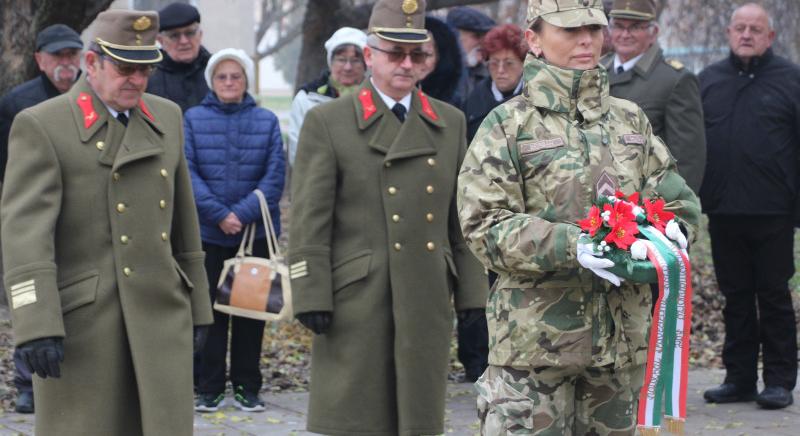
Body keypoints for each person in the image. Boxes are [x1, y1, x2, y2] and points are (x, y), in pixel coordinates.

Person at [457, 0, 700, 434]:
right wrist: (576, 245)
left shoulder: (631, 120)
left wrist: (673, 232)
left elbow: (674, 198)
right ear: (533, 39)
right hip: (535, 351)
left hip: (623, 349)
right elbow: (484, 224)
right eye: (568, 30)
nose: (585, 39)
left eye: (593, 27)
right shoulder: (508, 125)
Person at [1, 10, 213, 435]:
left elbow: (182, 216)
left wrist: (198, 305)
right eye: (125, 67)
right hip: (85, 322)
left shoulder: (166, 116)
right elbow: (24, 233)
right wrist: (36, 323)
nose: (136, 79)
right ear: (92, 63)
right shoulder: (44, 125)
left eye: (145, 69)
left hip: (159, 311)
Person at [289, 0, 487, 434]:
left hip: (426, 290)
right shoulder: (329, 122)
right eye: (395, 53)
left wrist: (473, 290)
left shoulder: (449, 122)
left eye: (417, 55)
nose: (407, 64)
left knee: (418, 414)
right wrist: (310, 293)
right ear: (368, 56)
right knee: (357, 413)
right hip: (357, 293)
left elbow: (463, 215)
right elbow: (309, 218)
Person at [699, 3, 799, 410]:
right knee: (735, 297)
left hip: (774, 211)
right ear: (728, 33)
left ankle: (778, 381)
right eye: (739, 28)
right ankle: (738, 378)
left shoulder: (791, 81)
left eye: (755, 29)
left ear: (770, 36)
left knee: (773, 296)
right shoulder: (707, 81)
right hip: (723, 212)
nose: (746, 34)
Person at [186, 48, 285, 413]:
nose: (229, 83)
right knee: (210, 316)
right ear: (212, 82)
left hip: (252, 235)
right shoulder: (192, 119)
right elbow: (188, 173)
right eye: (222, 77)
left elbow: (274, 177)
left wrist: (240, 215)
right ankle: (209, 388)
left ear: (247, 81)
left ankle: (247, 386)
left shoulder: (266, 120)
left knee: (249, 313)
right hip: (209, 235)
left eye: (236, 76)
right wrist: (218, 214)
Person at [0, 23, 83, 415]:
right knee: (29, 294)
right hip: (32, 214)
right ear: (39, 60)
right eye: (58, 57)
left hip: (81, 218)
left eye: (72, 56)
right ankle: (27, 383)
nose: (66, 65)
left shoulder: (94, 95)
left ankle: (78, 376)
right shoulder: (18, 102)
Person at [601, 0, 706, 194]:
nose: (625, 34)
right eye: (618, 26)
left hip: (647, 202)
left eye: (635, 27)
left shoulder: (675, 80)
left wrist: (674, 209)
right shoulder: (596, 71)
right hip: (598, 197)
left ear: (654, 32)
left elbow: (688, 158)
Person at [287, 27, 366, 166]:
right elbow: (298, 151)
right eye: (341, 59)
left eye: (355, 60)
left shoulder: (378, 97)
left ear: (366, 64)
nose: (348, 67)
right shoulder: (307, 98)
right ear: (331, 61)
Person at [462, 23, 526, 143]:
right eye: (494, 63)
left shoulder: (537, 99)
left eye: (509, 63)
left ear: (524, 64)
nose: (500, 70)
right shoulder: (473, 100)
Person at [146, 2, 211, 112]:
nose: (184, 41)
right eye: (174, 36)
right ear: (160, 40)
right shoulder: (148, 74)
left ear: (200, 34)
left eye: (190, 33)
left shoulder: (216, 70)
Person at [447, 6, 496, 103]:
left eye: (485, 37)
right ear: (454, 37)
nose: (482, 43)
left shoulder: (492, 75)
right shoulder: (438, 74)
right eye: (476, 36)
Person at [418, 16, 465, 106]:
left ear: (440, 58)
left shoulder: (453, 104)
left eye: (427, 55)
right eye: (415, 54)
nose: (420, 62)